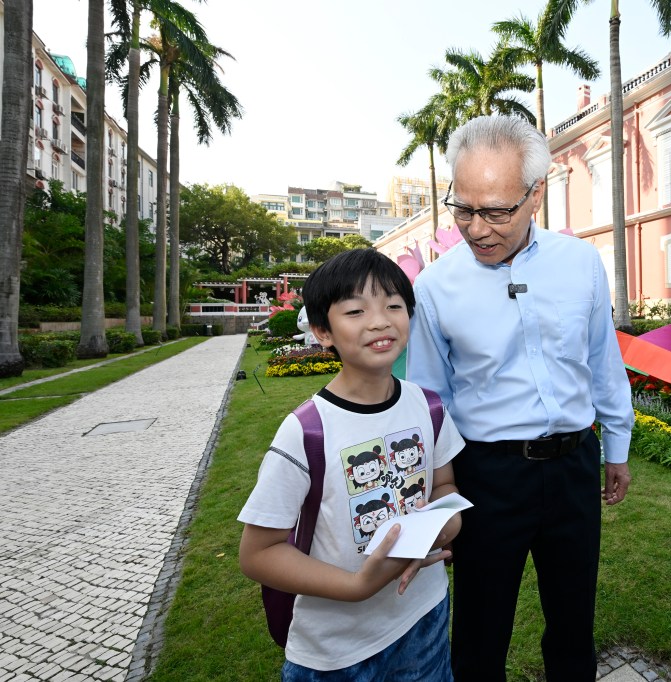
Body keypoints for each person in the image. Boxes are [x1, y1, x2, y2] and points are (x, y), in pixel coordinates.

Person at [406, 115, 634, 681]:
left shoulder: (580, 263)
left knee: (574, 620)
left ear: (536, 195)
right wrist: (437, 494)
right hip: (487, 476)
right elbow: (432, 400)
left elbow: (602, 360)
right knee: (480, 632)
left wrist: (617, 446)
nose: (476, 228)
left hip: (573, 467)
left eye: (496, 211)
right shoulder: (434, 287)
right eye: (463, 209)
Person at [238, 248, 465, 680]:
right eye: (356, 311)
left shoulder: (429, 406)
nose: (380, 321)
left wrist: (442, 527)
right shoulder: (307, 432)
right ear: (323, 331)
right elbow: (258, 554)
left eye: (393, 305)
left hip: (425, 616)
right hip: (336, 648)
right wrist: (358, 586)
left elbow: (444, 487)